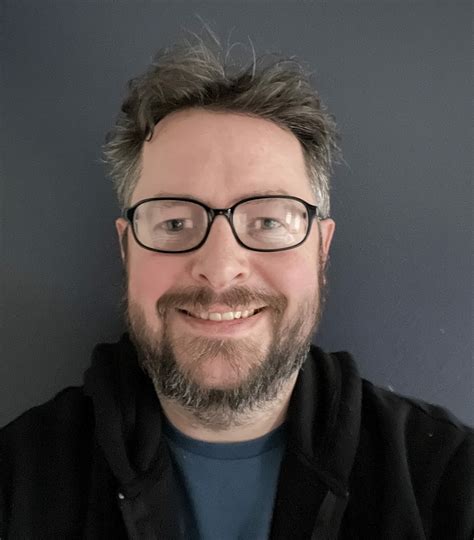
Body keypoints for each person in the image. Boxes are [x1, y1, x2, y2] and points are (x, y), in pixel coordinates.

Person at [1, 31, 473, 540]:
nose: (221, 268)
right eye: (175, 223)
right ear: (126, 247)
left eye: (268, 221)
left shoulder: (450, 482)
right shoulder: (16, 480)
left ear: (321, 248)